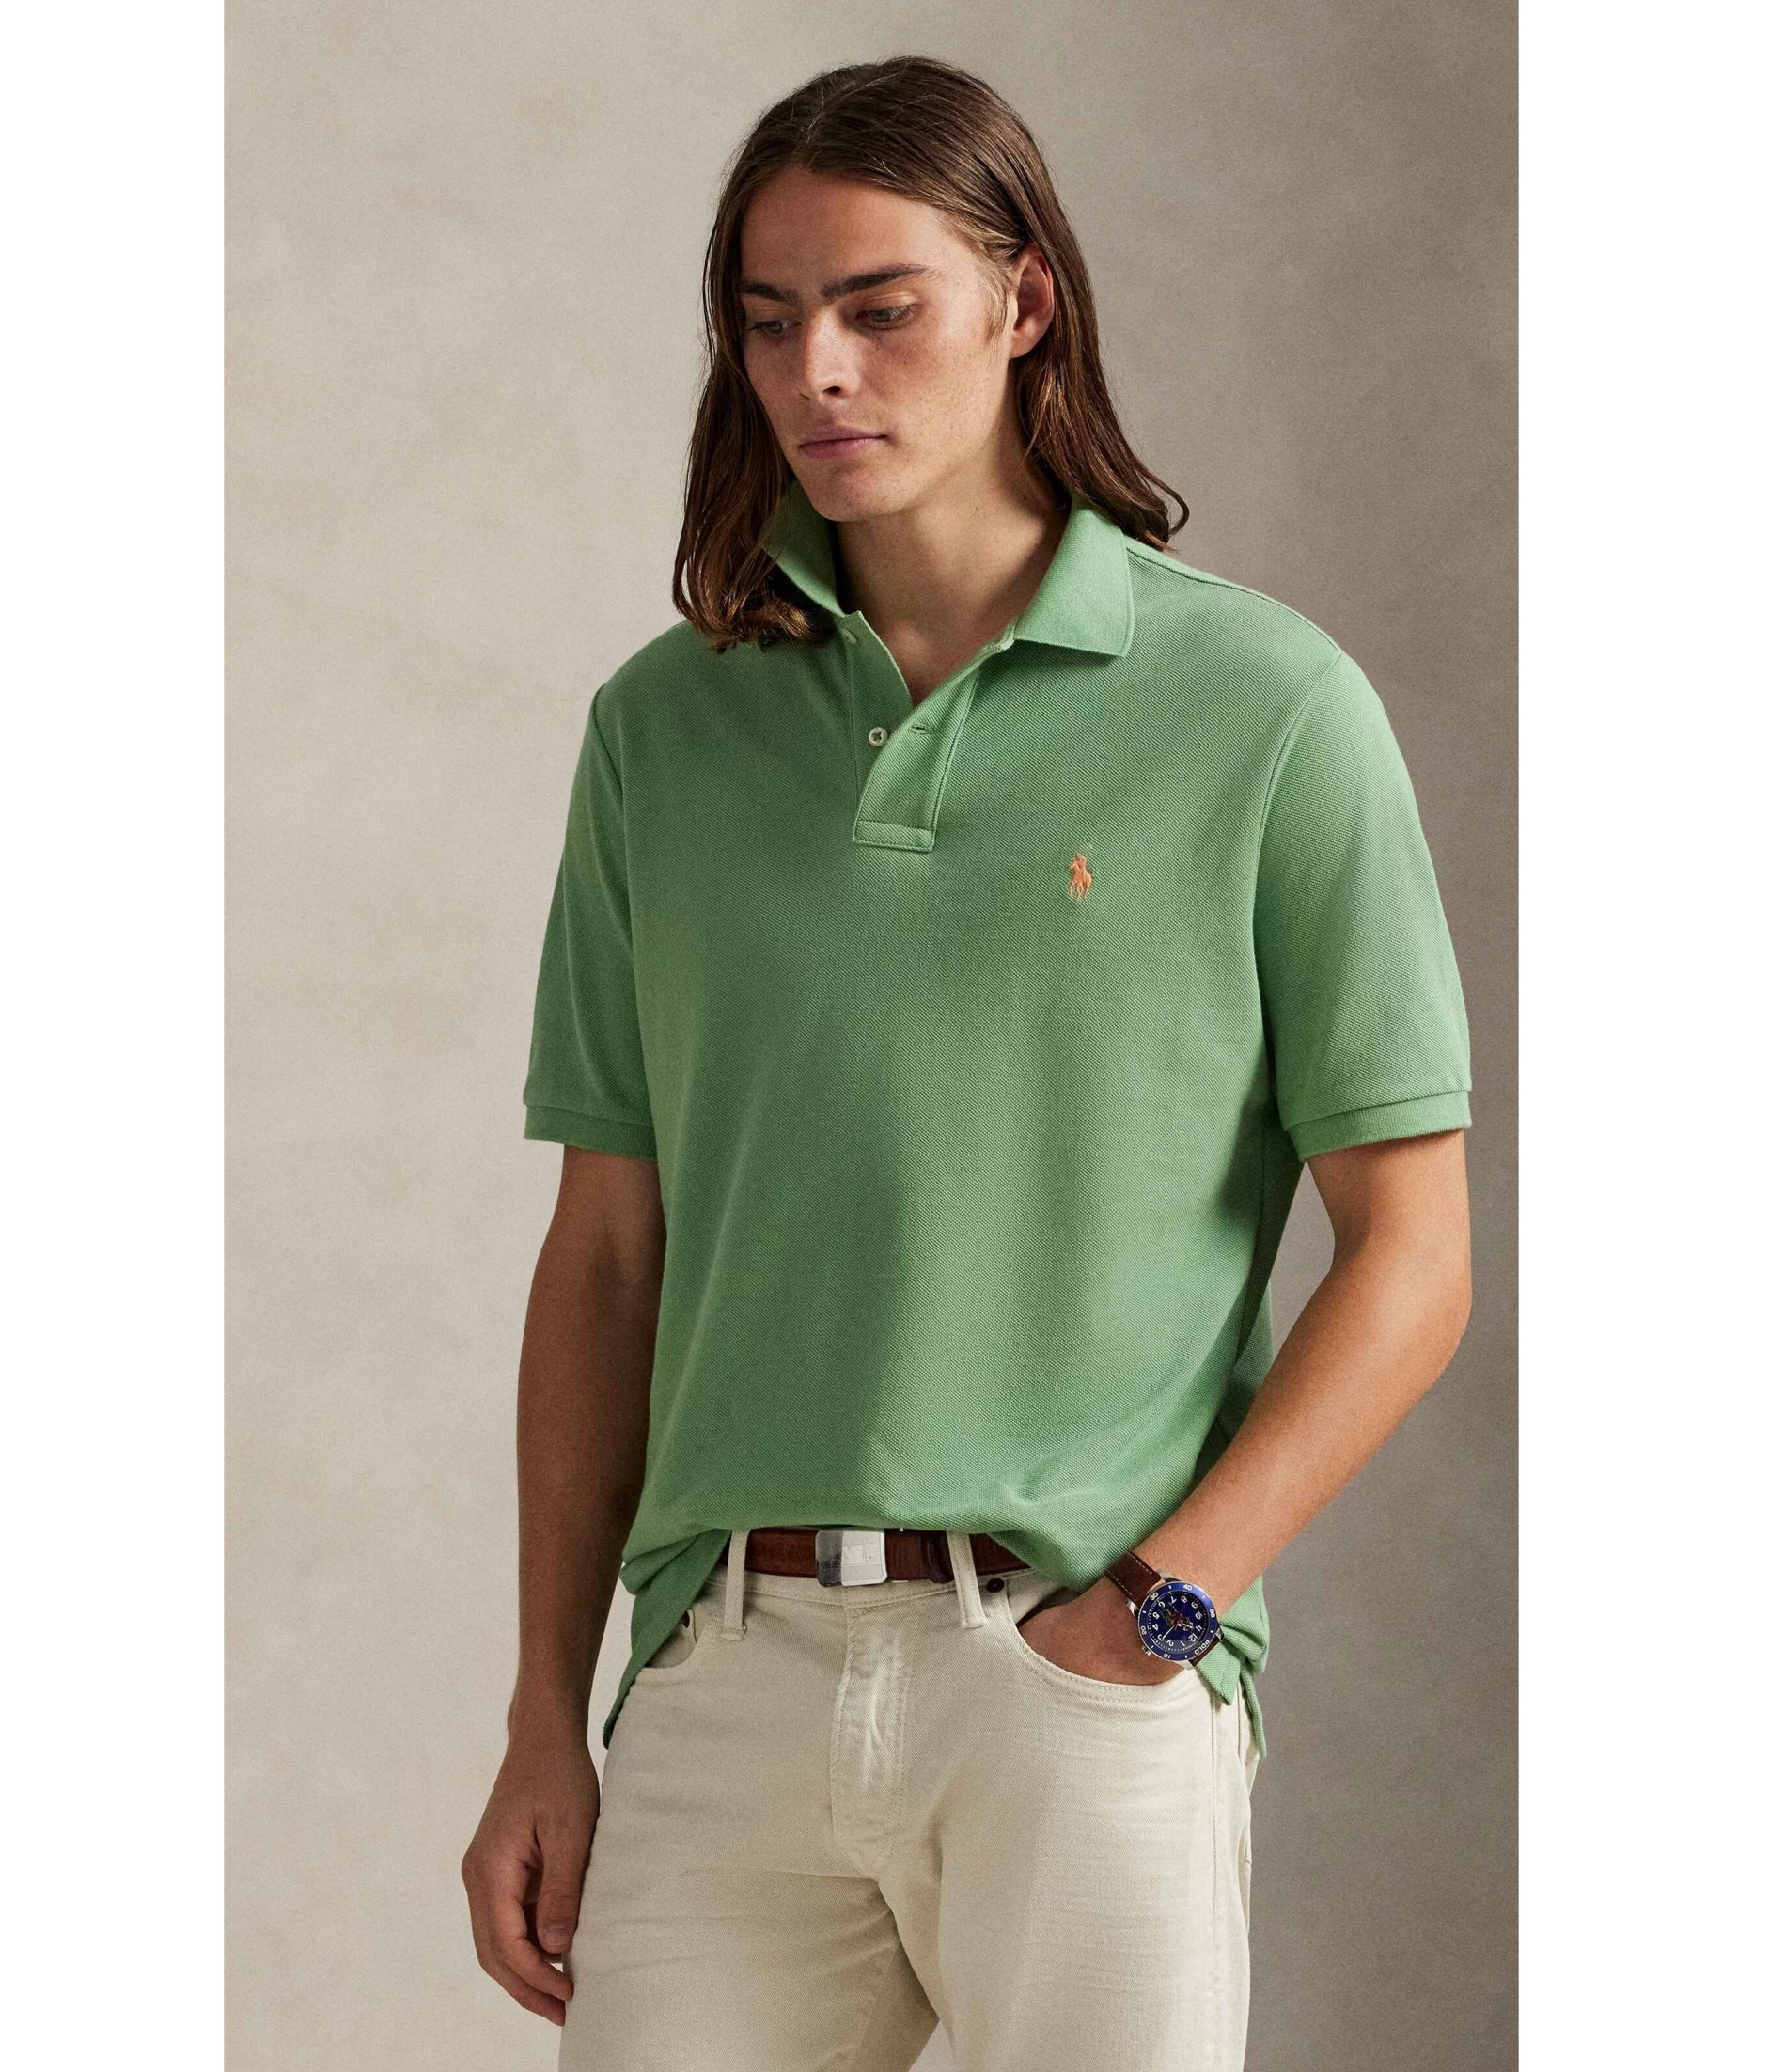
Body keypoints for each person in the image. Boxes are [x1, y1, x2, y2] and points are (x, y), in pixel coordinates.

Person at [462, 54, 1472, 2072]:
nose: (815, 370)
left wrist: (1162, 1616)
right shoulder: (662, 734)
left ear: (1024, 304)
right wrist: (543, 1720)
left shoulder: (1266, 710)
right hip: (727, 1678)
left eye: (878, 307)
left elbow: (1414, 1255)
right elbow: (604, 1261)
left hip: (1081, 1674)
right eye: (768, 321)